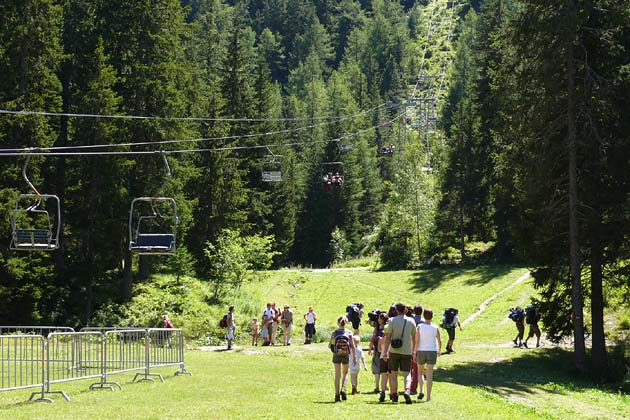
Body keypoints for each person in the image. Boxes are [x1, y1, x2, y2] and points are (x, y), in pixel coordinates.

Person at [382, 302, 416, 404]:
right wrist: (414, 351)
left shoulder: (392, 321)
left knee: (394, 374)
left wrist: (385, 352)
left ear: (396, 310)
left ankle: (395, 394)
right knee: (407, 373)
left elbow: (388, 338)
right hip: (407, 350)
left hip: (394, 351)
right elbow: (414, 338)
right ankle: (407, 390)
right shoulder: (411, 321)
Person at [413, 308, 441, 402]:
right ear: (432, 316)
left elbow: (416, 341)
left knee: (420, 372)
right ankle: (428, 396)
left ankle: (421, 390)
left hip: (421, 350)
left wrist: (414, 352)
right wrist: (439, 350)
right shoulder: (435, 327)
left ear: (424, 316)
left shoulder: (419, 326)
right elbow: (439, 340)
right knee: (429, 374)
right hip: (432, 351)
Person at [330, 315, 356, 402]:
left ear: (338, 323)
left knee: (337, 375)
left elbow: (330, 345)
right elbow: (352, 346)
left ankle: (337, 395)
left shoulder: (334, 333)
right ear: (346, 323)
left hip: (336, 354)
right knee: (345, 373)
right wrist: (354, 357)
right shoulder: (349, 333)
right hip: (345, 355)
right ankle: (343, 388)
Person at [368, 312, 386, 394]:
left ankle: (377, 386)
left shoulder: (377, 328)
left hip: (377, 350)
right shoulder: (388, 328)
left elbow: (372, 339)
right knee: (385, 369)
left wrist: (370, 348)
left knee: (376, 368)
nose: (378, 320)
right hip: (386, 350)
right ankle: (384, 386)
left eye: (379, 318)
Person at [409, 304, 423, 395]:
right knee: (417, 368)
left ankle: (408, 385)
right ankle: (413, 387)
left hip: (410, 346)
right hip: (420, 346)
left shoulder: (411, 321)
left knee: (409, 368)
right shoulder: (423, 322)